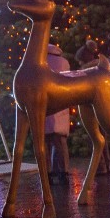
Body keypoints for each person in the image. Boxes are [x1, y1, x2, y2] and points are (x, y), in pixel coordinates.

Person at [75, 39, 110, 174]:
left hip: (90, 108)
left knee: (94, 138)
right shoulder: (101, 69)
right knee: (103, 136)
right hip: (103, 106)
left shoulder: (85, 72)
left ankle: (100, 167)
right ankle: (106, 164)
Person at [45, 44, 71, 184]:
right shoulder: (64, 62)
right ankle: (63, 172)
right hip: (60, 105)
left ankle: (48, 173)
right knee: (60, 143)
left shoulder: (41, 62)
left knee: (46, 144)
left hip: (45, 107)